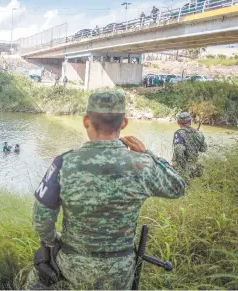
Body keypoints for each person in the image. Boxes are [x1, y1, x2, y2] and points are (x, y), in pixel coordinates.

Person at [26, 91, 186, 289]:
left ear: (86, 121)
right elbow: (178, 187)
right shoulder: (143, 165)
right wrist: (148, 154)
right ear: (124, 122)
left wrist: (51, 241)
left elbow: (41, 219)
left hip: (73, 266)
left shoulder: (64, 163)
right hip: (120, 272)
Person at [172, 112, 207, 179]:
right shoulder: (199, 133)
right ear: (190, 122)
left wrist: (180, 168)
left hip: (184, 169)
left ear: (178, 122)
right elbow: (204, 149)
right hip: (195, 165)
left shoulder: (179, 134)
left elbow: (179, 151)